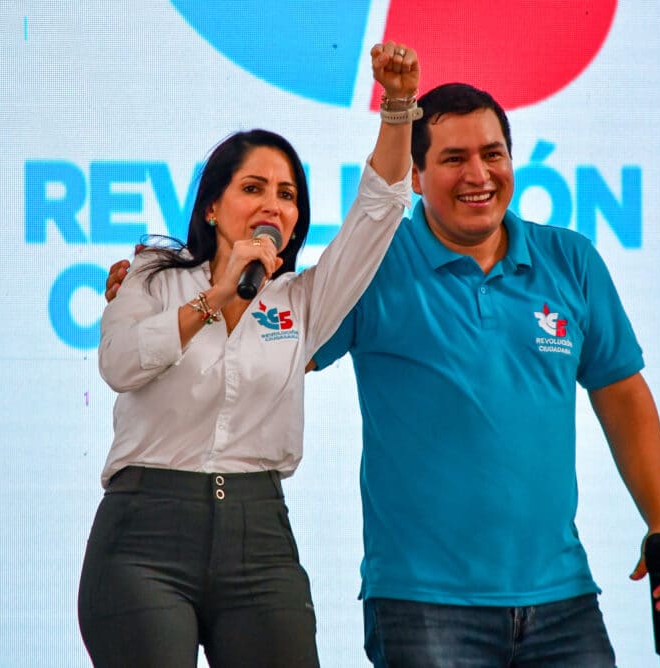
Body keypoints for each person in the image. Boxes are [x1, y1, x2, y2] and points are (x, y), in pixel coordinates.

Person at [105, 83, 660, 667]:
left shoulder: (571, 260)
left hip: (563, 597)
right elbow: (262, 353)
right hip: (422, 602)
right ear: (415, 175)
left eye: (492, 154)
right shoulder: (376, 270)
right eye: (454, 158)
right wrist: (169, 299)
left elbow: (621, 393)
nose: (478, 174)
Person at [79, 42, 419, 668]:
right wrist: (214, 296)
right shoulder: (151, 277)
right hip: (143, 536)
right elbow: (120, 365)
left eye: (287, 195)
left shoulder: (305, 300)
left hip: (258, 537)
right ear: (212, 206)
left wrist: (397, 106)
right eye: (253, 188)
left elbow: (378, 210)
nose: (273, 205)